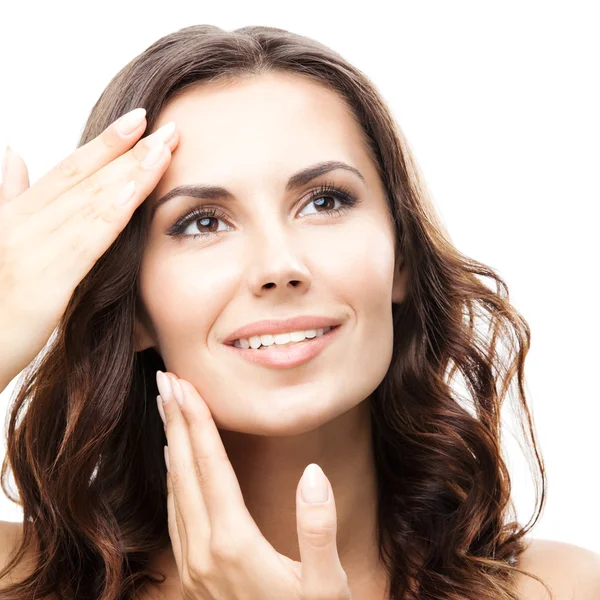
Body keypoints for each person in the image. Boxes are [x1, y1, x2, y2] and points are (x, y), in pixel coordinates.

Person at [0, 24, 598, 600]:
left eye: (324, 201)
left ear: (401, 258)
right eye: (203, 221)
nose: (278, 265)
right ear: (130, 305)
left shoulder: (562, 588)